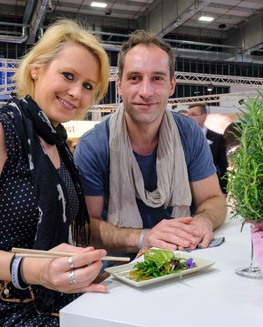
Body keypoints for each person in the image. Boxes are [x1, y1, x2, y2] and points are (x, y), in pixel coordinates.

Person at [0, 19, 110, 326]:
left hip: (43, 295)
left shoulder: (57, 145)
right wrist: (32, 269)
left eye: (88, 86)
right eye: (68, 75)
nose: (76, 92)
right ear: (36, 69)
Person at [74, 30, 227, 258]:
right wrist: (145, 237)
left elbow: (214, 199)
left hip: (184, 255)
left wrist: (203, 221)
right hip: (120, 266)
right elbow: (86, 228)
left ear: (172, 86)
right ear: (120, 85)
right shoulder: (94, 145)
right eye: (135, 78)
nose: (146, 92)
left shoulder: (189, 133)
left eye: (157, 78)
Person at [187, 103, 229, 194]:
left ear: (204, 116)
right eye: (189, 114)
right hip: (188, 189)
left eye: (193, 114)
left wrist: (224, 188)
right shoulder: (184, 138)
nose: (189, 117)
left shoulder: (217, 138)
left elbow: (222, 164)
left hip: (211, 187)